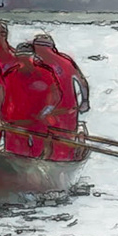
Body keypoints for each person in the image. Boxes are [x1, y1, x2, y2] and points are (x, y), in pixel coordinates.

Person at [26, 33, 89, 162]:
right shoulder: (66, 61)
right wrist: (84, 101)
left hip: (54, 112)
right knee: (62, 144)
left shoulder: (36, 63)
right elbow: (82, 82)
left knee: (53, 143)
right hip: (63, 111)